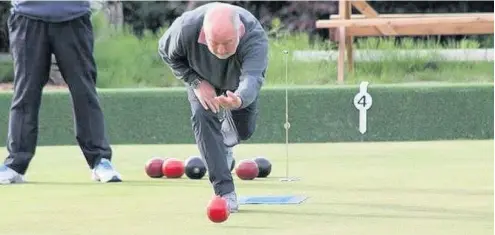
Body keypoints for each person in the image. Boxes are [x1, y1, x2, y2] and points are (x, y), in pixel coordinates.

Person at [158, 2, 268, 212]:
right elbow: (167, 53)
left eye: (227, 42)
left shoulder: (254, 36)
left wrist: (239, 99)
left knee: (244, 131)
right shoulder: (185, 29)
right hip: (201, 77)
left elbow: (252, 77)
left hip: (237, 86)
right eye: (213, 42)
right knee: (202, 115)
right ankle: (224, 192)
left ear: (240, 32)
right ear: (202, 35)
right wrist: (196, 82)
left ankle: (225, 144)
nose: (220, 49)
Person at [0, 1, 122, 184]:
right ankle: (15, 164)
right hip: (27, 16)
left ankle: (100, 161)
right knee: (25, 93)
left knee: (84, 92)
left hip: (74, 17)